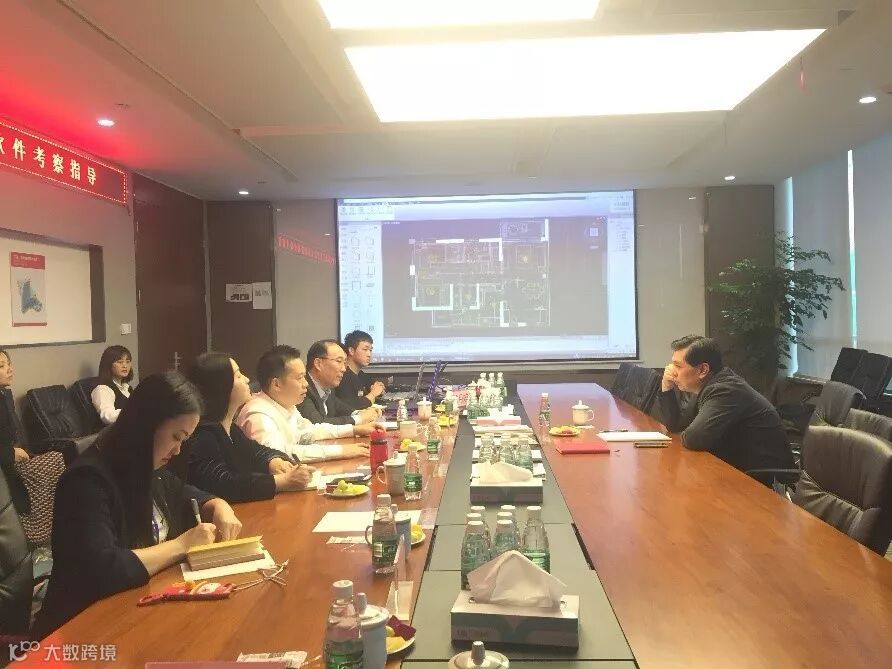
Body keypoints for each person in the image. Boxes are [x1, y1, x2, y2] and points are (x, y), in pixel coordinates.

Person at [33, 372, 243, 639]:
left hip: (136, 608)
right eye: (176, 437)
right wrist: (182, 545)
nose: (178, 450)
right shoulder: (86, 481)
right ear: (147, 425)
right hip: (83, 628)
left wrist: (217, 504)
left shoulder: (144, 464)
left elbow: (182, 492)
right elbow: (103, 568)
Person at [186, 352, 315, 502]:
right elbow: (223, 483)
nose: (247, 379)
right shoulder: (203, 434)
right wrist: (282, 481)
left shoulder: (230, 429)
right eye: (238, 376)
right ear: (221, 386)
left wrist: (274, 461)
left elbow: (257, 451)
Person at [657, 335, 794, 473]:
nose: (671, 371)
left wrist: (687, 431)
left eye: (678, 366)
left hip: (764, 478)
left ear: (703, 370)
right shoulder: (708, 385)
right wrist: (666, 387)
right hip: (737, 468)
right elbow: (677, 426)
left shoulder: (725, 390)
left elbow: (694, 439)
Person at [236, 345, 378, 462]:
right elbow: (279, 453)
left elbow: (310, 432)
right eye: (299, 378)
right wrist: (340, 451)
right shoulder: (258, 414)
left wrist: (354, 430)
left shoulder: (285, 405)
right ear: (276, 384)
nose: (306, 384)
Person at [298, 340, 380, 426]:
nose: (344, 369)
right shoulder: (302, 389)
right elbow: (318, 424)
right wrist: (360, 418)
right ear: (318, 364)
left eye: (344, 363)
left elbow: (339, 407)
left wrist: (360, 413)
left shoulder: (328, 388)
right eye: (339, 361)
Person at [0, 349, 30, 513]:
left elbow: (13, 432)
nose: (10, 369)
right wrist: (11, 453)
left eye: (9, 364)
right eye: (1, 366)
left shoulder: (4, 394)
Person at [334, 330, 385, 410]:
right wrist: (373, 394)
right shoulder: (342, 376)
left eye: (370, 350)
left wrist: (379, 388)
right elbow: (348, 407)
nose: (369, 354)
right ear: (351, 351)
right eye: (365, 349)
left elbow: (375, 386)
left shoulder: (360, 374)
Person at [92, 344, 134, 425]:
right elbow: (107, 417)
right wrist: (132, 410)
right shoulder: (102, 389)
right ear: (108, 365)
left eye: (128, 362)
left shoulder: (127, 388)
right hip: (113, 431)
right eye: (120, 362)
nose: (125, 366)